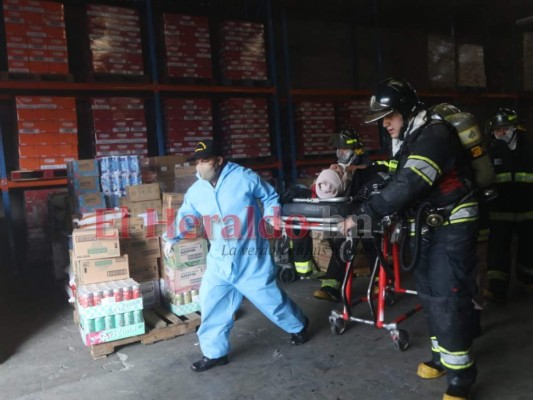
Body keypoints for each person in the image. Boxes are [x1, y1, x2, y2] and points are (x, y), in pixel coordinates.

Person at [340, 78, 479, 400]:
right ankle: (442, 356)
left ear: (406, 110)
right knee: (430, 293)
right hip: (428, 226)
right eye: (381, 120)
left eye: (389, 117)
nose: (385, 124)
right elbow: (397, 178)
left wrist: (364, 217)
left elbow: (411, 183)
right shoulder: (412, 137)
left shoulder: (434, 134)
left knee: (447, 295)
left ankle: (462, 374)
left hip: (451, 224)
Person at [163, 139, 309, 373]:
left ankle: (299, 324)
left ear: (219, 161)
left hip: (251, 255)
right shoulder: (197, 190)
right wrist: (171, 238)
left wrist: (271, 216)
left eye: (206, 161)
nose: (201, 167)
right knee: (212, 305)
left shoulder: (244, 177)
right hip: (219, 259)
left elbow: (270, 196)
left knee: (269, 300)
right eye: (197, 162)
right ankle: (214, 353)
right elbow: (186, 215)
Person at [485, 108, 533, 302]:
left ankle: (528, 281)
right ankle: (496, 290)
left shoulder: (529, 149)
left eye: (505, 128)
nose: (501, 133)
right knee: (498, 251)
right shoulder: (491, 151)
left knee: (529, 249)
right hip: (500, 211)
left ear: (515, 127)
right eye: (497, 130)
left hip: (527, 209)